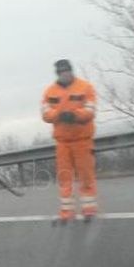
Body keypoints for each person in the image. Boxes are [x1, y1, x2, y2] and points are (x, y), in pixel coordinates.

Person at [42, 59, 98, 223]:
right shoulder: (49, 91)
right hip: (62, 142)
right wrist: (59, 114)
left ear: (71, 71)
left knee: (85, 176)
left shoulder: (85, 87)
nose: (64, 74)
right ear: (57, 73)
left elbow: (90, 110)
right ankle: (66, 212)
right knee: (65, 177)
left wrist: (75, 115)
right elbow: (45, 113)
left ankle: (89, 210)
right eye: (61, 72)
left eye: (66, 71)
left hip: (82, 140)